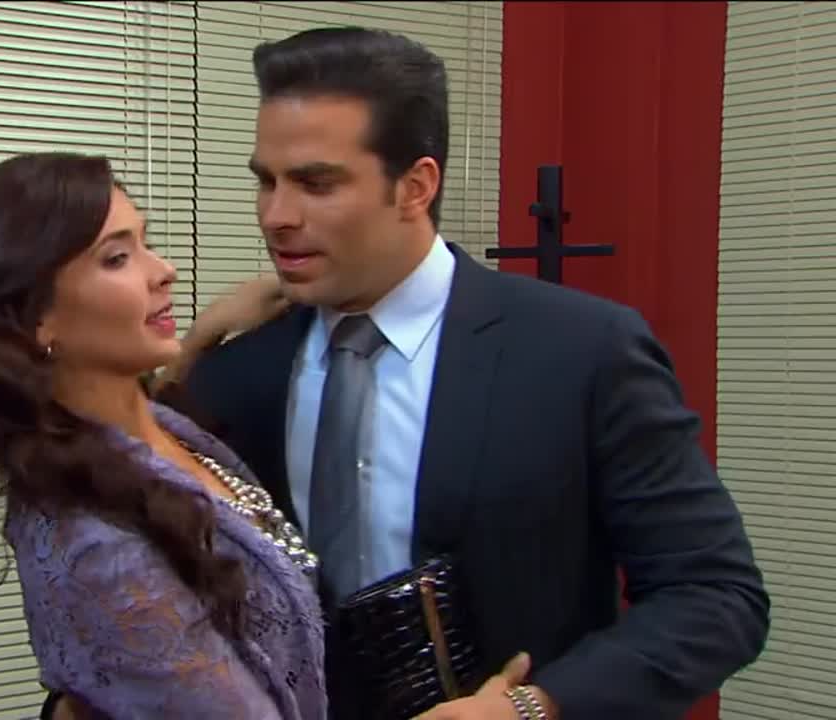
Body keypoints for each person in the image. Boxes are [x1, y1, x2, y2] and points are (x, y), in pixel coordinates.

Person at [152, 27, 769, 720]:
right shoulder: (240, 372)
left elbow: (716, 595)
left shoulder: (580, 351)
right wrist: (189, 351)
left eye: (316, 184)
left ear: (415, 186)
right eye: (266, 181)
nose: (276, 216)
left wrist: (532, 707)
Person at [0, 152, 327, 720]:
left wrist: (202, 335)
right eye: (117, 258)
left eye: (145, 242)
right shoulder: (98, 552)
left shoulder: (162, 430)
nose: (164, 270)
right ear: (38, 318)